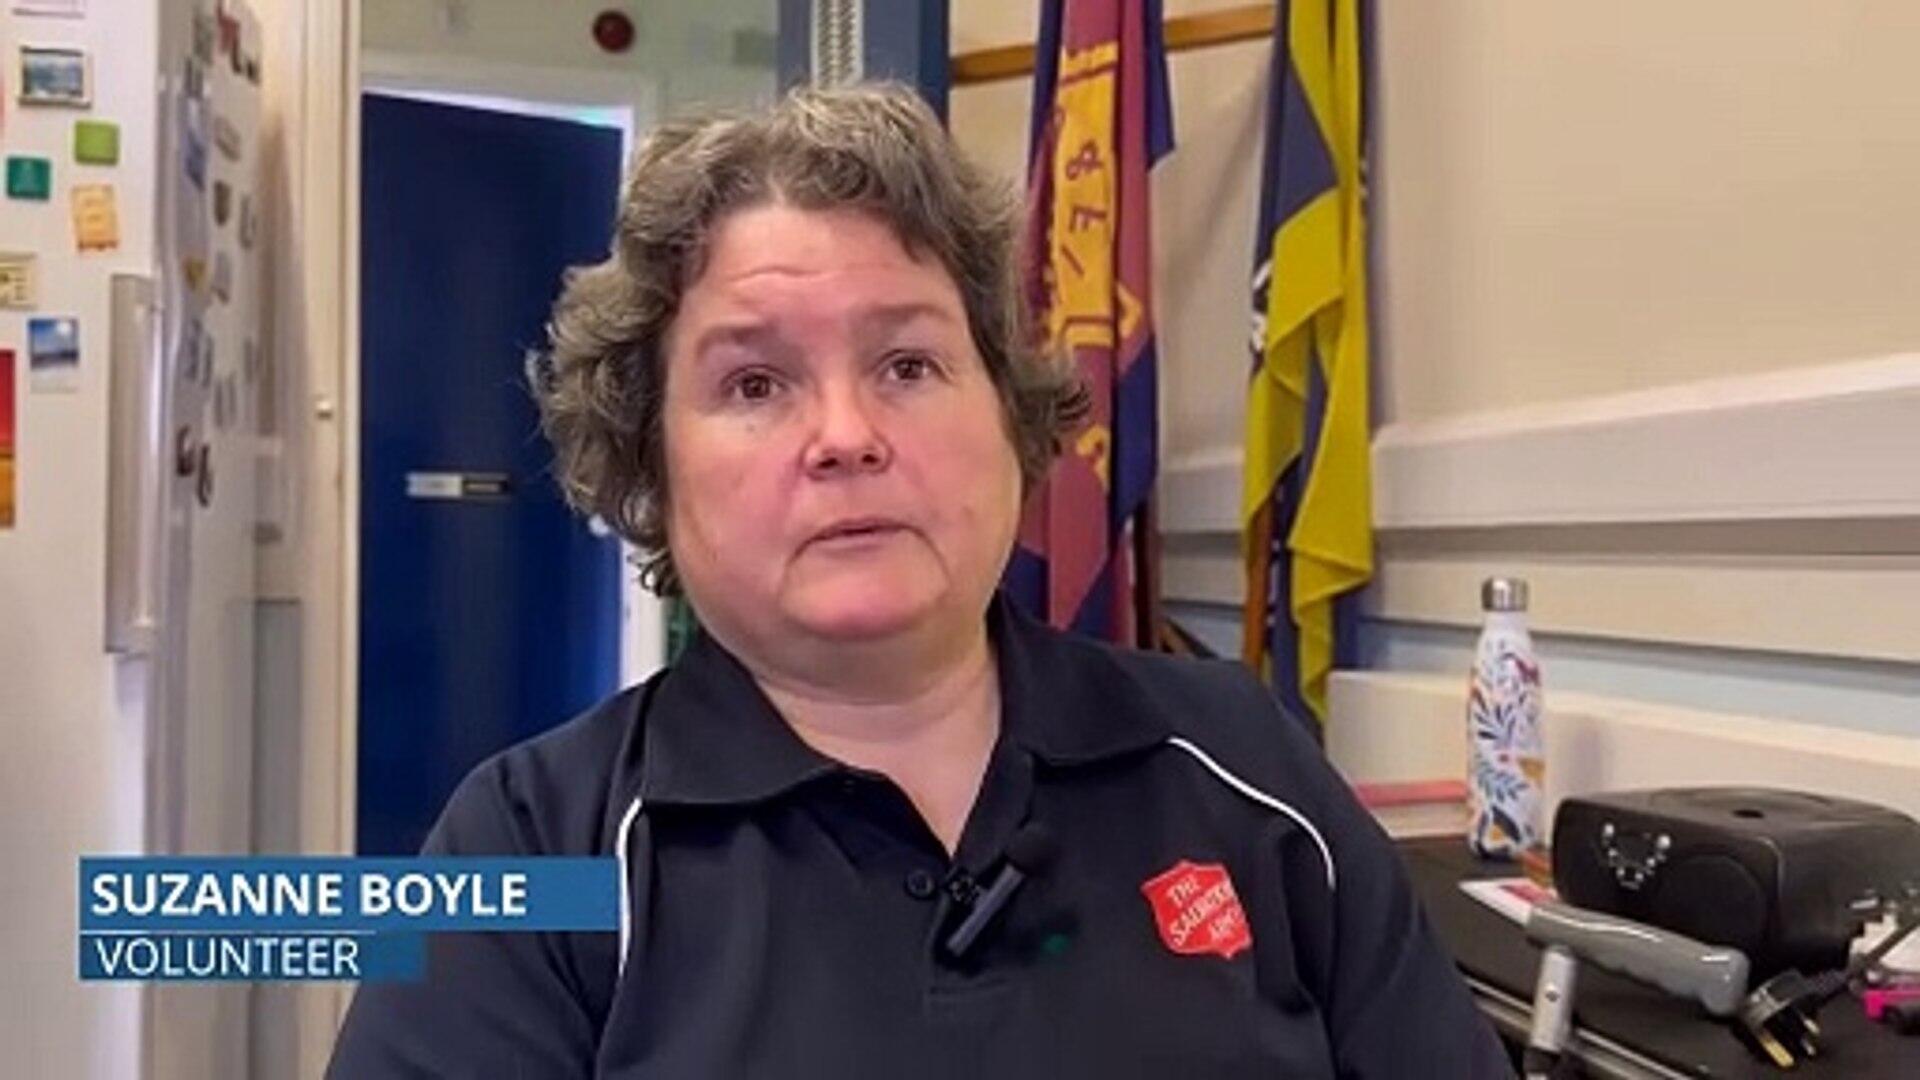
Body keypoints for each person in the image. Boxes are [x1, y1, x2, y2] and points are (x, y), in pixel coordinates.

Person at [328, 83, 1511, 1078]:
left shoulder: (1241, 764)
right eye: (754, 384)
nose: (846, 436)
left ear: (1009, 414)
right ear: (651, 459)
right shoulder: (532, 850)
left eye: (907, 364)